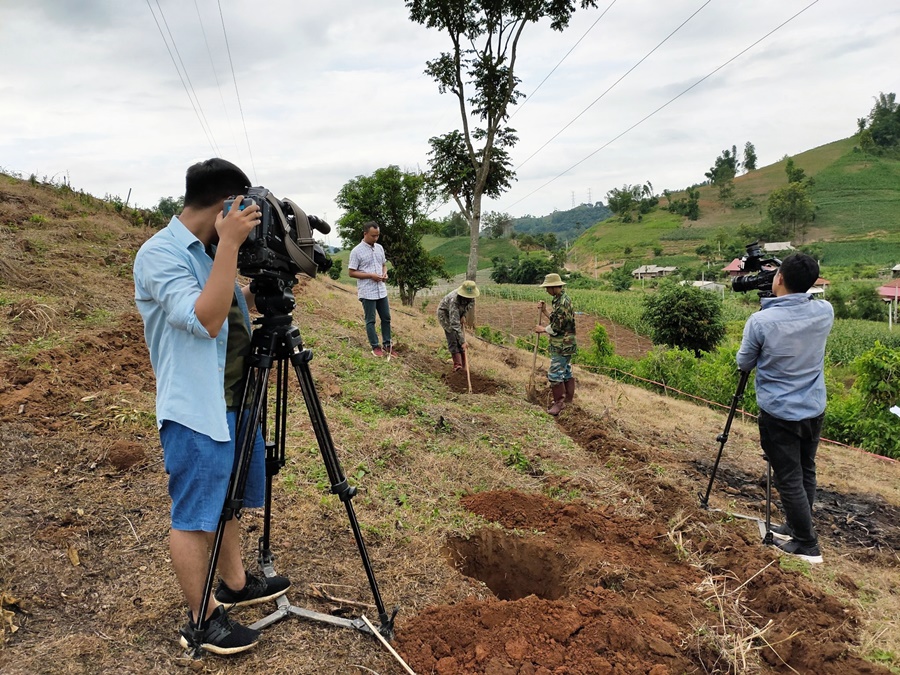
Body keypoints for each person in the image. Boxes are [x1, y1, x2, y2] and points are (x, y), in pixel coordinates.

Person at [133, 159, 290, 655]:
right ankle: (201, 621)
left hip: (234, 400)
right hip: (197, 408)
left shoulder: (205, 253)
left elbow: (220, 299)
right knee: (195, 516)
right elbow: (203, 319)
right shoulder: (159, 254)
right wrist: (229, 246)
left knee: (226, 508)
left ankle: (236, 586)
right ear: (227, 204)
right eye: (245, 205)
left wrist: (249, 291)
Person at [736, 252, 834, 564]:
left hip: (779, 412)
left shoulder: (761, 321)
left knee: (788, 476)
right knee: (806, 469)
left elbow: (744, 363)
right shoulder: (825, 311)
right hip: (813, 407)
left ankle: (806, 543)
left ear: (778, 278)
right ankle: (795, 524)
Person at [534, 273, 577, 416]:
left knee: (554, 373)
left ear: (554, 287)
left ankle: (559, 403)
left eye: (547, 288)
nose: (546, 291)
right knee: (565, 371)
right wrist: (545, 311)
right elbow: (556, 319)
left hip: (563, 343)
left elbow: (557, 327)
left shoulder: (563, 303)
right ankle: (568, 401)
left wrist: (543, 329)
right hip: (564, 342)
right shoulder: (559, 300)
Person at [348, 221, 392, 357]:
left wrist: (385, 273)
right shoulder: (356, 251)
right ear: (365, 233)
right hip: (367, 292)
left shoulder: (379, 248)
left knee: (386, 318)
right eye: (373, 236)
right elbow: (351, 272)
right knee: (370, 320)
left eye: (377, 236)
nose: (375, 238)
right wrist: (370, 276)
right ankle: (375, 347)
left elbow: (383, 264)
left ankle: (387, 345)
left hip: (381, 290)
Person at [437, 280, 480, 371]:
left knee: (459, 338)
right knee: (453, 337)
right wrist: (463, 342)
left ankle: (465, 365)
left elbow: (469, 306)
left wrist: (463, 315)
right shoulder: (454, 300)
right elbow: (454, 324)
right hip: (445, 315)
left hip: (457, 314)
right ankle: (458, 365)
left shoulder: (471, 298)